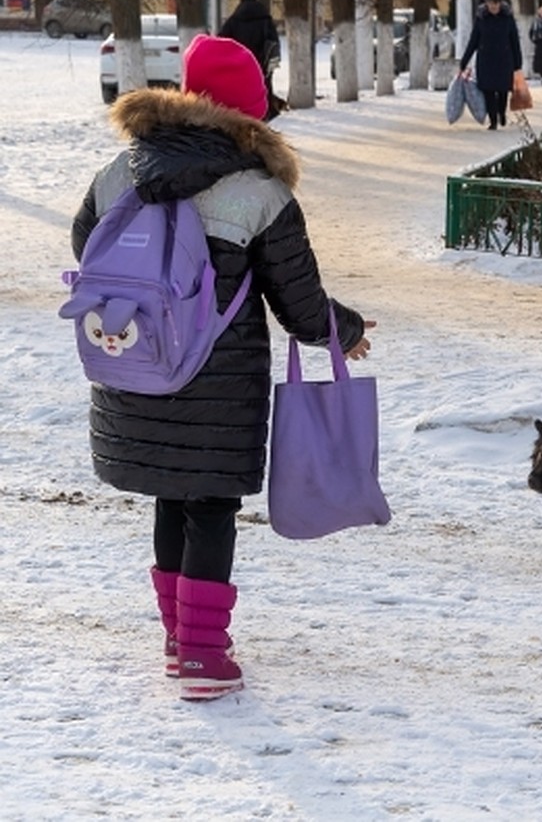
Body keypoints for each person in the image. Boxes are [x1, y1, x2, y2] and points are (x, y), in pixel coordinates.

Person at [69, 35, 375, 700]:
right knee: (210, 504)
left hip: (136, 360)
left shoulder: (119, 171)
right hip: (217, 382)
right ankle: (203, 658)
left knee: (170, 495)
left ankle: (182, 639)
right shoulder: (258, 192)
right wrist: (344, 331)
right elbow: (297, 301)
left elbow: (86, 247)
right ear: (249, 108)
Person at [459, 0, 523, 130]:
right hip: (486, 60)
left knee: (502, 90)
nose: (493, 6)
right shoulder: (481, 18)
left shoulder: (508, 18)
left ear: (501, 4)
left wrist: (518, 63)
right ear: (486, 3)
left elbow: (514, 41)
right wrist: (464, 61)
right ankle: (493, 120)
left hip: (504, 60)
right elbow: (473, 41)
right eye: (491, 3)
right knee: (488, 90)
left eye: (496, 3)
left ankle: (501, 112)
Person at [218, 0, 283, 120]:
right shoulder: (265, 18)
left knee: (242, 89)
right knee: (264, 87)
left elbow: (222, 40)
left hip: (239, 63)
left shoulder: (234, 19)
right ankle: (265, 112)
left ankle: (244, 113)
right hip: (261, 62)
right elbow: (273, 40)